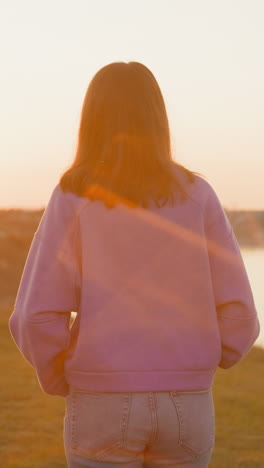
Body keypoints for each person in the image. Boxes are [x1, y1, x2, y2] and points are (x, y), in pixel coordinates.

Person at [9, 61, 260, 468]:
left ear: (92, 119)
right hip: (188, 407)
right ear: (157, 117)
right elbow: (241, 316)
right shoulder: (199, 196)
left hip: (99, 404)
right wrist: (200, 363)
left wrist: (60, 379)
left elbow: (35, 316)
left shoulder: (73, 196)